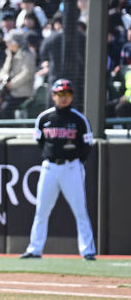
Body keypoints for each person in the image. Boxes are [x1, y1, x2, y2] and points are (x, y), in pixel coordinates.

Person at [20, 79, 97, 261]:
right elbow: (40, 141)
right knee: (41, 210)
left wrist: (76, 161)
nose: (64, 98)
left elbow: (87, 146)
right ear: (53, 95)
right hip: (50, 167)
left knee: (80, 210)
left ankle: (87, 250)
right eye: (60, 94)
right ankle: (34, 249)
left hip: (71, 167)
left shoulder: (78, 119)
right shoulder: (44, 118)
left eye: (67, 94)